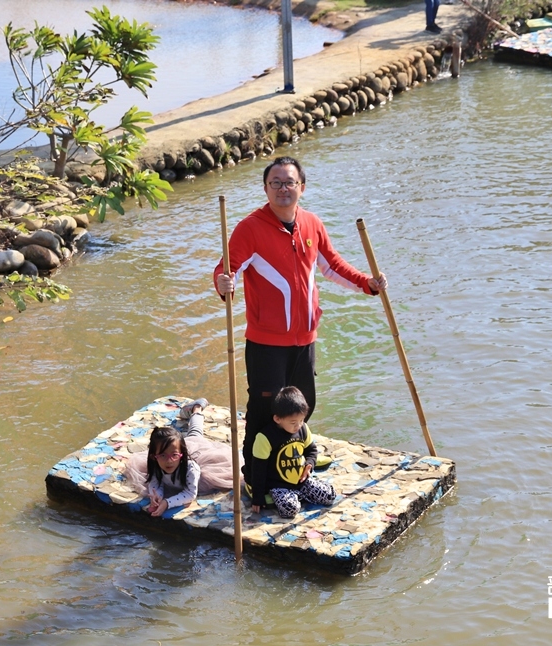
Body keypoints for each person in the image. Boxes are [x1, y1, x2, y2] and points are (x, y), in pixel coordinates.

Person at [213, 156, 386, 478]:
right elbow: (228, 270)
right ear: (265, 188)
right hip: (265, 340)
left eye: (289, 182)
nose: (283, 189)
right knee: (265, 411)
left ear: (301, 188)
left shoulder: (312, 224)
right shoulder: (249, 228)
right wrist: (224, 283)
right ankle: (256, 473)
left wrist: (369, 284)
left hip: (305, 337)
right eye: (275, 183)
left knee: (304, 405)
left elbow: (333, 265)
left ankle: (296, 456)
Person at [125, 399, 236, 513]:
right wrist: (156, 497)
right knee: (185, 437)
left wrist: (167, 503)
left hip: (198, 455)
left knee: (195, 432)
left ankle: (197, 408)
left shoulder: (191, 469)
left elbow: (190, 494)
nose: (169, 461)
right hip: (179, 451)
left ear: (181, 455)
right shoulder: (156, 463)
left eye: (173, 455)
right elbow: (155, 482)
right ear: (154, 456)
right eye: (163, 455)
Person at [247, 387, 336, 518]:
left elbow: (311, 450)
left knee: (330, 496)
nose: (298, 425)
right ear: (277, 419)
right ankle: (295, 498)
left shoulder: (303, 429)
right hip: (279, 485)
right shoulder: (265, 437)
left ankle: (299, 494)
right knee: (290, 510)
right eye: (293, 422)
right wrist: (258, 497)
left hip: (301, 481)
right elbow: (258, 468)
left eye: (301, 420)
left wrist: (310, 464)